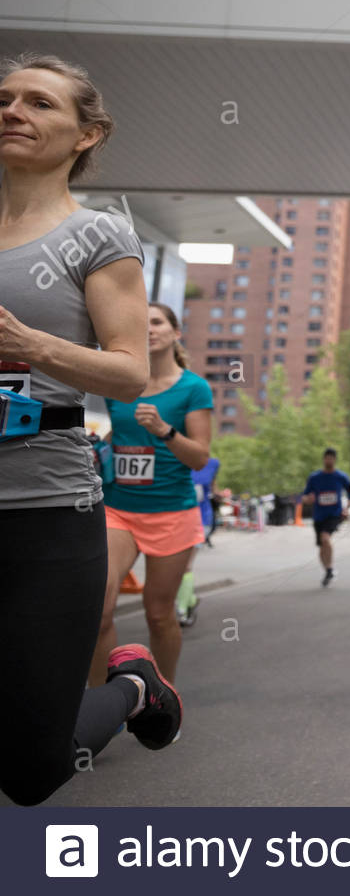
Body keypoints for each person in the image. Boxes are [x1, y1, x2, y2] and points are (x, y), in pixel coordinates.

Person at [0, 53, 182, 805]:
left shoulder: (95, 236)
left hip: (47, 505)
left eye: (39, 103)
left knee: (34, 770)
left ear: (85, 134)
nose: (13, 111)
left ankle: (136, 687)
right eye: (4, 98)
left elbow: (128, 372)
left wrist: (33, 346)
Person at [91, 303, 214, 686]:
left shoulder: (193, 388)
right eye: (141, 323)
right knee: (100, 609)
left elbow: (200, 457)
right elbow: (122, 437)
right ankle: (102, 706)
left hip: (171, 514)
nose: (149, 329)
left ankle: (162, 700)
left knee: (158, 614)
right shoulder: (121, 385)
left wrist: (164, 430)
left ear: (175, 332)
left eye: (157, 322)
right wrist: (100, 446)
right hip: (119, 510)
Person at [176, 455, 220, 627]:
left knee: (186, 564)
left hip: (200, 520)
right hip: (173, 520)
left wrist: (217, 495)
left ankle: (182, 610)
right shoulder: (169, 458)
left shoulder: (212, 463)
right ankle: (190, 599)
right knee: (178, 566)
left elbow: (212, 486)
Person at [303, 447, 350, 586]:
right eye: (327, 457)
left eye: (332, 458)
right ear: (324, 459)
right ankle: (328, 570)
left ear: (335, 460)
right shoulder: (314, 478)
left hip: (335, 514)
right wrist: (309, 499)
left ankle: (330, 567)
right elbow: (305, 497)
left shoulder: (341, 477)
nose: (329, 460)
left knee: (325, 538)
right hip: (319, 516)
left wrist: (346, 509)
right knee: (321, 547)